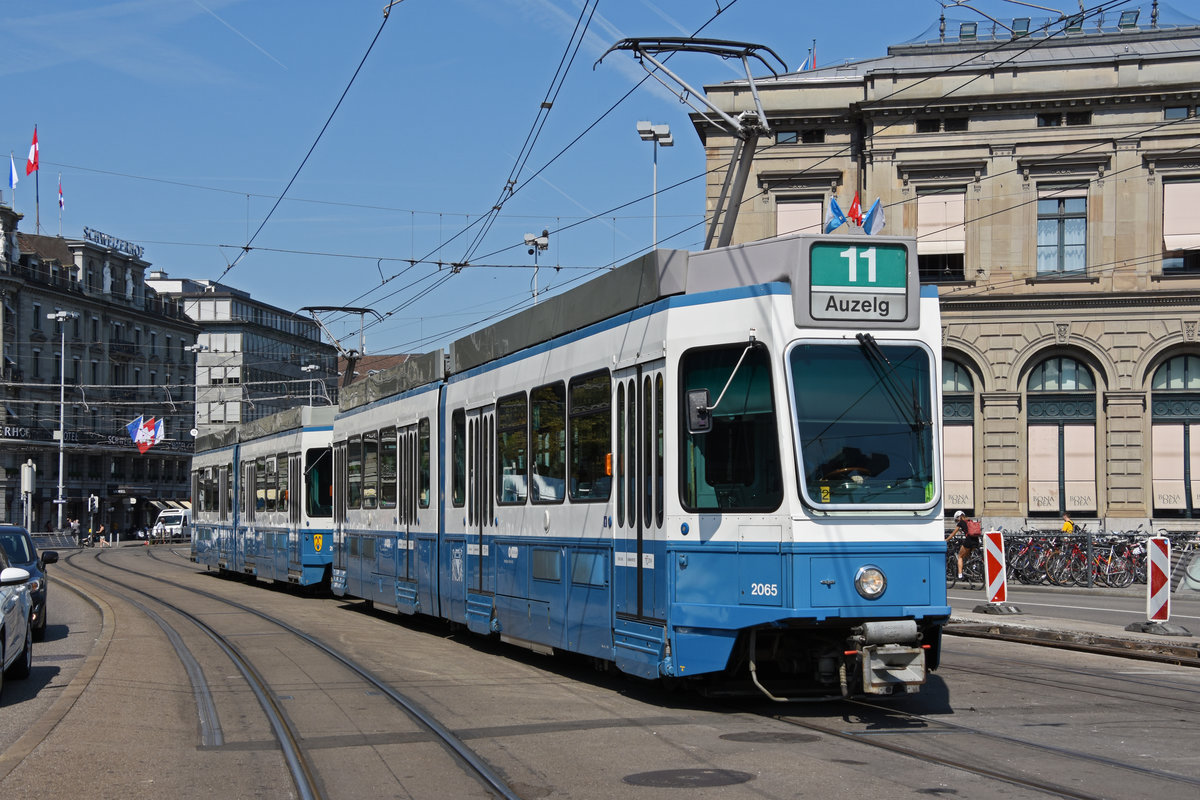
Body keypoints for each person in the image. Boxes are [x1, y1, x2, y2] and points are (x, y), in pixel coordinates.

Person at [946, 510, 980, 579]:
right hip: (976, 540)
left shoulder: (961, 522)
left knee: (960, 556)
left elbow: (953, 533)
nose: (957, 521)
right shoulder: (970, 520)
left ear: (959, 517)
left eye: (957, 519)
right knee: (968, 555)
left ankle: (960, 575)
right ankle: (973, 566)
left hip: (969, 540)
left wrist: (946, 540)